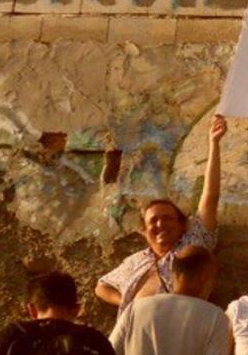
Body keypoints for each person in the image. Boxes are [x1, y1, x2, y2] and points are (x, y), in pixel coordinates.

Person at [95, 116, 226, 308]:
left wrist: (214, 143)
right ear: (144, 230)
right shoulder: (137, 260)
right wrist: (126, 303)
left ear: (182, 225)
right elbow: (101, 287)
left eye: (167, 219)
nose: (160, 224)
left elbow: (211, 196)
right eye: (153, 221)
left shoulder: (193, 244)